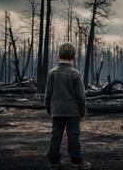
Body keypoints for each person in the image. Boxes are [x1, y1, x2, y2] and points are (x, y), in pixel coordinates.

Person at [44, 42, 91, 170]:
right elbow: (81, 96)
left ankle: (53, 162)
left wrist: (49, 109)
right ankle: (76, 162)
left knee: (56, 136)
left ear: (58, 55)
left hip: (57, 111)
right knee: (73, 136)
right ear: (73, 57)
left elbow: (47, 94)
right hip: (72, 112)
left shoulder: (52, 73)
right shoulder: (75, 74)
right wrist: (82, 111)